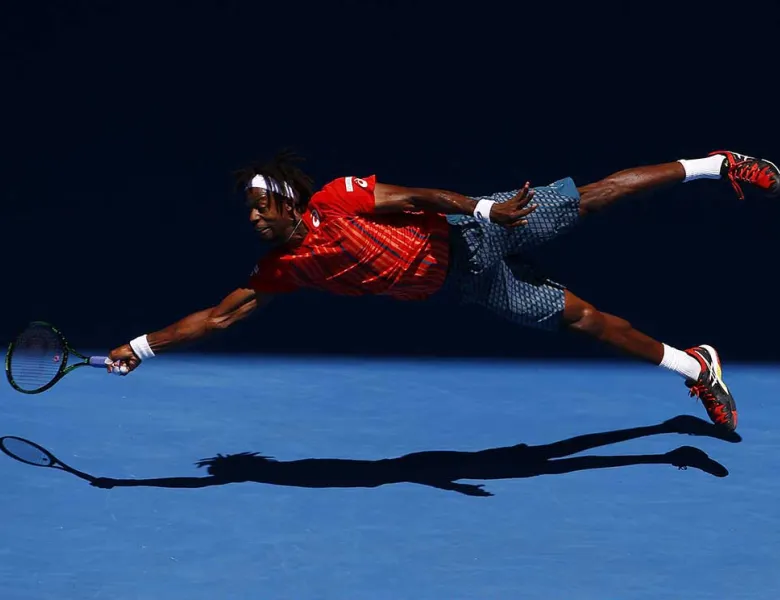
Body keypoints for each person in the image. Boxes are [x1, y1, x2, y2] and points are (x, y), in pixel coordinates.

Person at [107, 149, 780, 431]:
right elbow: (217, 319)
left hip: (476, 230)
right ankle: (697, 367)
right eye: (249, 212)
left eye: (261, 206)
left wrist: (486, 210)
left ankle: (717, 163)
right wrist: (140, 346)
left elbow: (421, 194)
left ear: (286, 198)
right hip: (468, 285)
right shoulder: (281, 269)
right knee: (587, 322)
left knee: (594, 196)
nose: (254, 218)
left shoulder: (339, 197)